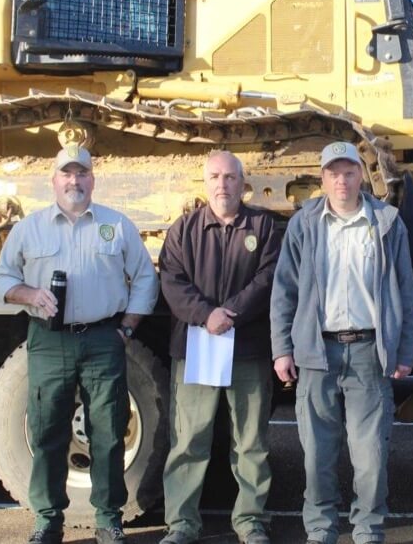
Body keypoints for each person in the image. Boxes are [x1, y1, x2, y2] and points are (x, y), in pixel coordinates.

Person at [0, 145, 159, 544]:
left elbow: (146, 278)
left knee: (109, 431)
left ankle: (108, 518)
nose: (74, 181)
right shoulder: (29, 228)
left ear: (92, 180)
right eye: (67, 173)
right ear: (54, 181)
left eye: (82, 173)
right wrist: (29, 294)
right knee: (48, 432)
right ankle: (47, 520)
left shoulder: (115, 225)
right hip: (49, 341)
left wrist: (128, 326)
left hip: (104, 338)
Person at [270, 141, 413, 544]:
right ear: (323, 178)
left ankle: (368, 530)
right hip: (317, 352)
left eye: (349, 171)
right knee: (317, 454)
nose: (341, 180)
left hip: (370, 353)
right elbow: (283, 289)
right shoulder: (305, 223)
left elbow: (407, 290)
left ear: (361, 175)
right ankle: (320, 530)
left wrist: (404, 350)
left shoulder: (386, 222)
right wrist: (282, 348)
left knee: (370, 456)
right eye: (333, 173)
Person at [157, 151, 281, 544]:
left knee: (250, 441)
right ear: (205, 182)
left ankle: (250, 520)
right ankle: (182, 523)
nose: (222, 184)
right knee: (189, 439)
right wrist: (206, 315)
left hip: (247, 348)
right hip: (197, 348)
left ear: (242, 183)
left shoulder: (264, 226)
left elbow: (269, 278)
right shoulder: (185, 229)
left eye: (230, 177)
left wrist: (233, 313)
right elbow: (172, 282)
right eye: (214, 176)